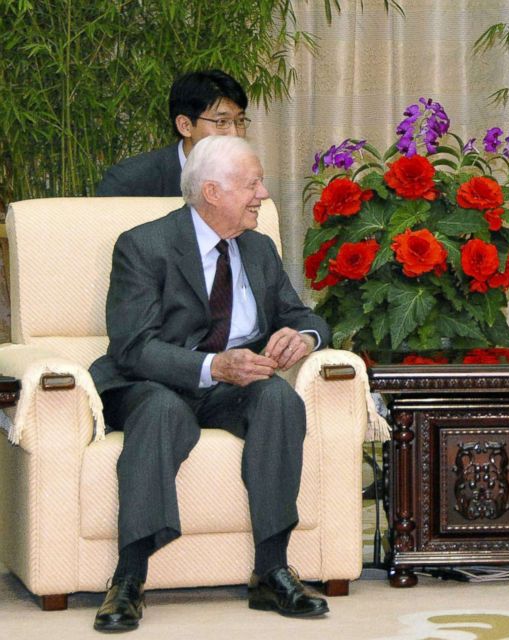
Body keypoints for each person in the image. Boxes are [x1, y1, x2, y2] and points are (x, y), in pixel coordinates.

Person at [89, 135, 330, 632]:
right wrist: (213, 366)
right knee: (161, 412)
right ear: (213, 192)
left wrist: (303, 338)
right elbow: (132, 347)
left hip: (232, 386)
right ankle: (128, 579)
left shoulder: (260, 249)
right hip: (152, 381)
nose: (263, 194)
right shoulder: (143, 245)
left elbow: (305, 316)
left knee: (279, 399)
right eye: (253, 184)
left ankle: (272, 571)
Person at [95, 69, 250, 196]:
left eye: (240, 121)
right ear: (185, 126)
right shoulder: (129, 181)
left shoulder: (245, 176)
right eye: (222, 122)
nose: (235, 134)